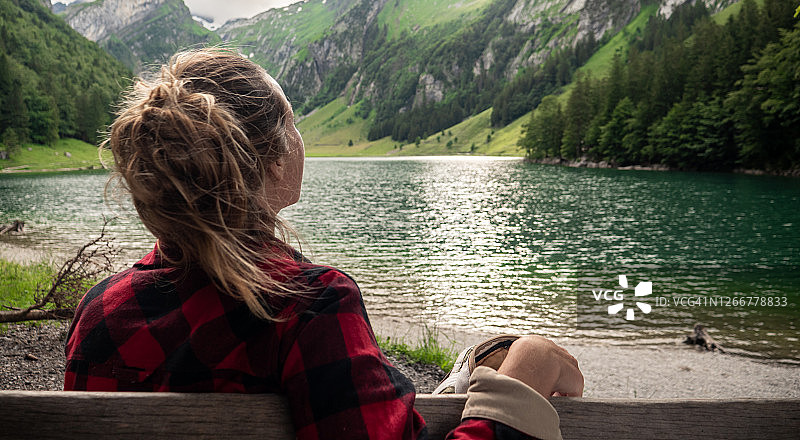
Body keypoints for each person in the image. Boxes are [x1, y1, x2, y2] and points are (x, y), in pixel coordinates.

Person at [64, 49, 583, 439]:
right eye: (292, 122)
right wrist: (525, 375)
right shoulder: (309, 307)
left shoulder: (100, 311)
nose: (301, 138)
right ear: (269, 159)